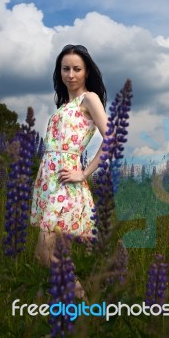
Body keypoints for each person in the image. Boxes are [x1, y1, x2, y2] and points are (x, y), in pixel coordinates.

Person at [30, 44, 108, 269]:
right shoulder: (64, 105)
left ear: (87, 72)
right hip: (48, 181)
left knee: (46, 255)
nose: (71, 75)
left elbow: (111, 139)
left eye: (77, 69)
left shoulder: (89, 99)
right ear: (60, 72)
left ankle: (82, 301)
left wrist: (83, 172)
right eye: (66, 69)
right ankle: (73, 302)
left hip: (66, 183)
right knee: (51, 258)